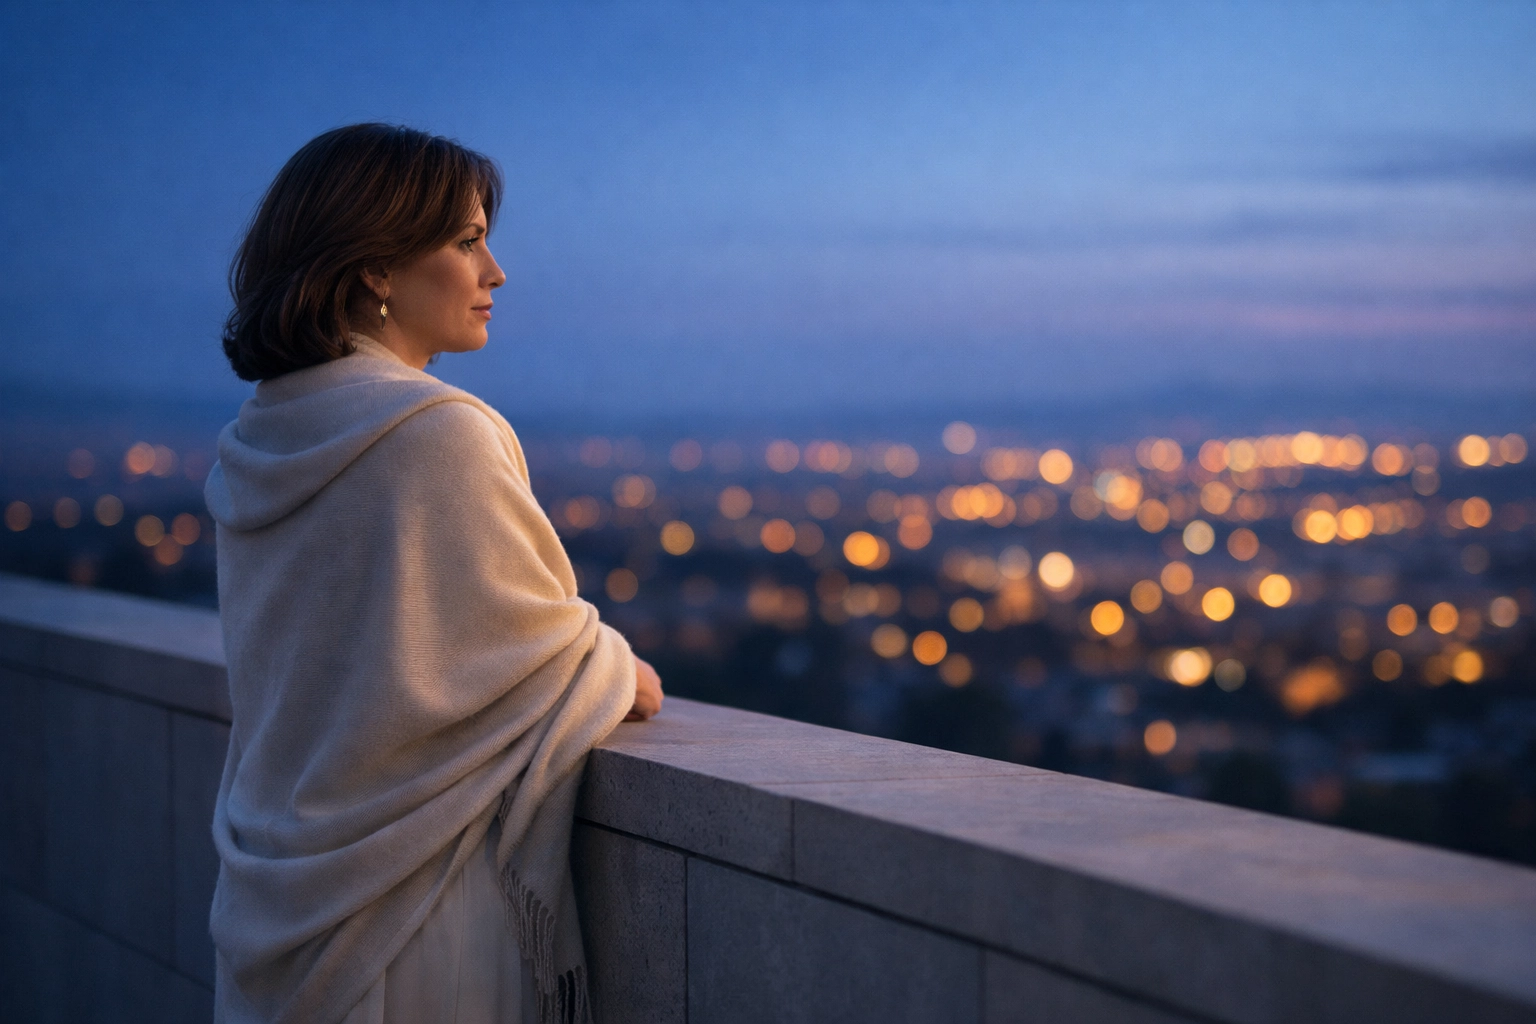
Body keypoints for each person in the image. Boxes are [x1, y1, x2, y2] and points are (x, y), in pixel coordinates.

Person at [204, 123, 663, 1024]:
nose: (495, 272)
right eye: (466, 241)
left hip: (273, 889)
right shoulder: (438, 432)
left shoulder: (260, 437)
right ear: (376, 266)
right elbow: (542, 650)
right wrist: (616, 666)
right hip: (417, 906)